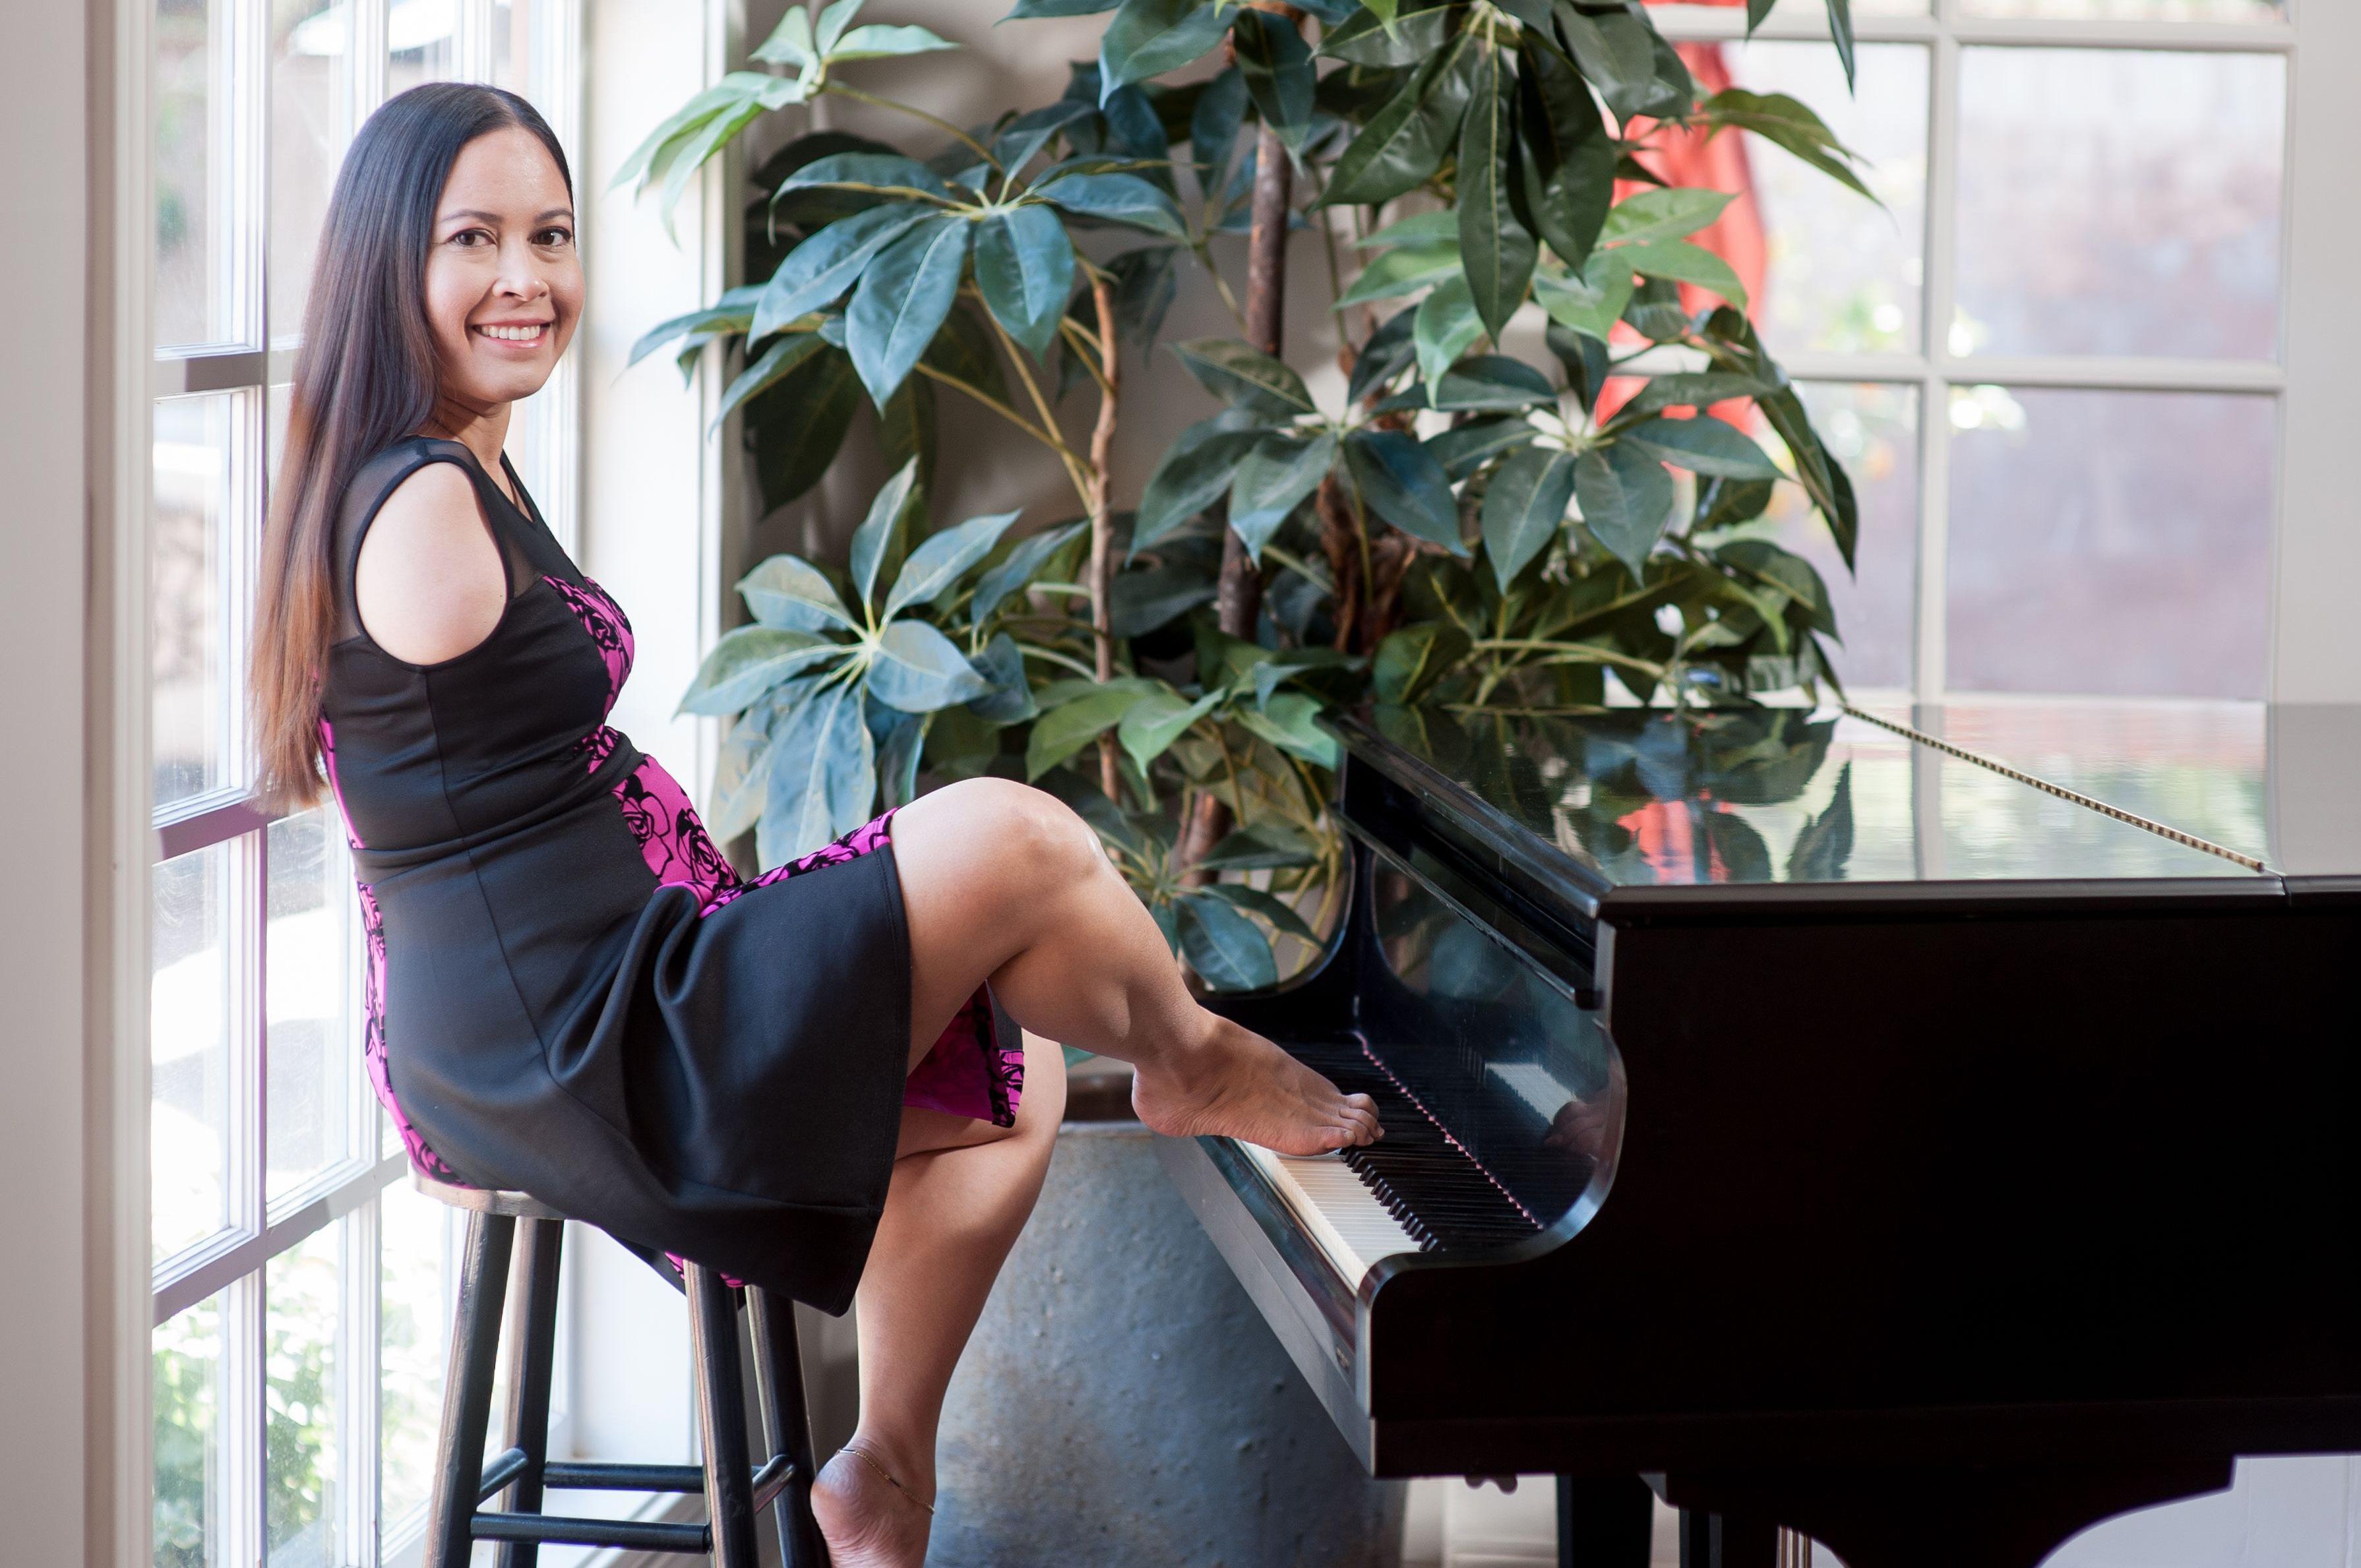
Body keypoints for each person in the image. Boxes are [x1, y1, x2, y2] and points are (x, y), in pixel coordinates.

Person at [244, 82, 1380, 1568]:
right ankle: (1192, 1055)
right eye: (474, 239)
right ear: (387, 260)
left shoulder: (439, 458)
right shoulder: (419, 499)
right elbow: (441, 780)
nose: (526, 277)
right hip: (576, 1037)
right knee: (1015, 837)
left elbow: (464, 769)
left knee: (1014, 1062)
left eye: (551, 235)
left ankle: (881, 1475)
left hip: (594, 990)